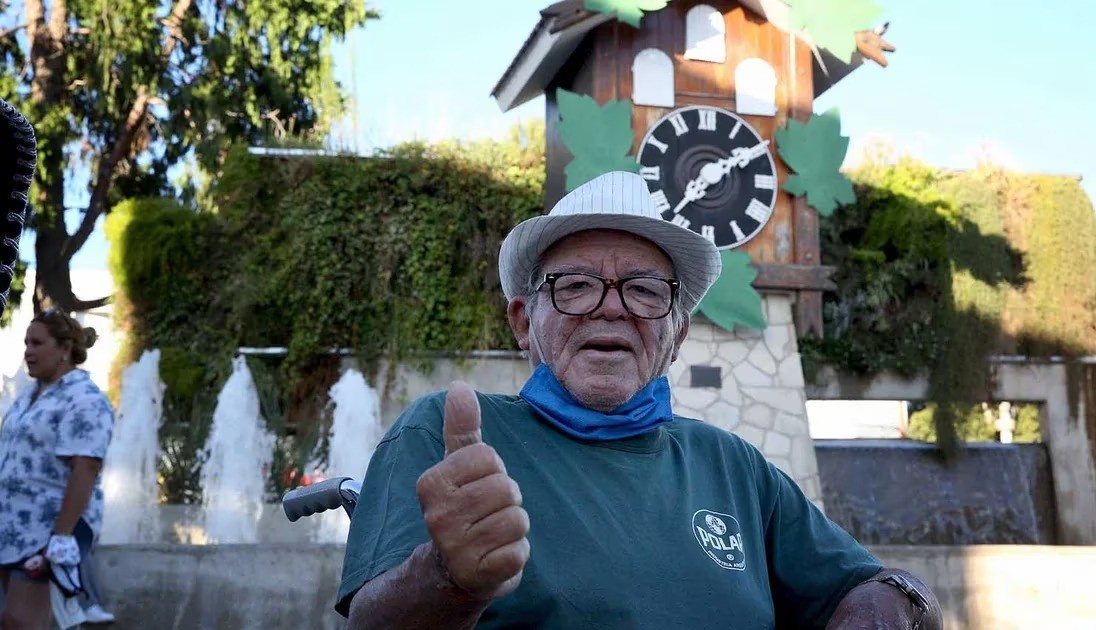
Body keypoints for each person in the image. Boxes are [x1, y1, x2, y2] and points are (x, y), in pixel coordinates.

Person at [337, 171, 942, 629]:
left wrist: (901, 603)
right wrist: (449, 577)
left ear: (676, 335)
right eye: (574, 285)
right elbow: (372, 622)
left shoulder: (733, 466)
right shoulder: (448, 436)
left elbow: (868, 585)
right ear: (523, 322)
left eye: (645, 290)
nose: (610, 305)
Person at [0, 309, 116, 628]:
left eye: (37, 343)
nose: (28, 351)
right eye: (26, 343)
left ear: (64, 349)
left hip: (49, 528)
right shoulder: (31, 394)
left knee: (20, 622)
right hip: (12, 526)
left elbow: (86, 466)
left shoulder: (84, 398)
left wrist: (61, 536)